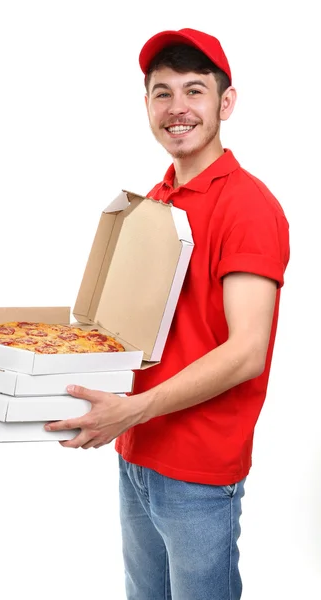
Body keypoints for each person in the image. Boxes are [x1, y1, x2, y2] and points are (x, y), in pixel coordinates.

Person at [44, 27, 290, 600]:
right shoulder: (154, 202)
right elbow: (124, 325)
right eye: (162, 93)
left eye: (194, 90)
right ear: (147, 105)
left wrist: (132, 410)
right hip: (135, 450)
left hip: (198, 470)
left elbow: (246, 351)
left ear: (225, 103)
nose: (177, 108)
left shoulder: (248, 206)